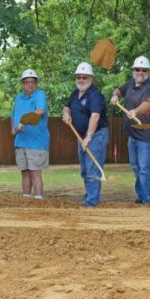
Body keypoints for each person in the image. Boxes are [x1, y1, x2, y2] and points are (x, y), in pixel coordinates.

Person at [111, 56, 150, 204]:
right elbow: (119, 90)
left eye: (143, 70)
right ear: (133, 70)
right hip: (132, 134)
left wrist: (136, 111)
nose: (140, 72)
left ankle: (147, 200)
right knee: (135, 166)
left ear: (148, 72)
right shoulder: (131, 84)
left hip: (147, 135)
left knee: (145, 168)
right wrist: (115, 95)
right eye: (137, 69)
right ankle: (141, 196)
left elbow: (148, 104)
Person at [62, 62, 109, 207]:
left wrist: (88, 137)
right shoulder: (75, 93)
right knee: (84, 170)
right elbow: (66, 107)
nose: (81, 80)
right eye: (79, 77)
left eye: (85, 77)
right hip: (80, 136)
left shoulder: (96, 96)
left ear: (91, 79)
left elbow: (95, 117)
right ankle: (89, 198)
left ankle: (91, 202)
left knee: (92, 170)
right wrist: (66, 113)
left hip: (96, 136)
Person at [10, 69, 50, 199]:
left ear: (36, 83)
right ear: (22, 84)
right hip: (21, 141)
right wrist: (13, 128)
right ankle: (26, 199)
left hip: (36, 142)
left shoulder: (40, 95)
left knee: (35, 173)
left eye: (32, 82)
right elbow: (13, 115)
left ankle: (38, 201)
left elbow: (39, 111)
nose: (30, 84)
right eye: (27, 82)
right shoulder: (18, 98)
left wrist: (24, 122)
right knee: (25, 172)